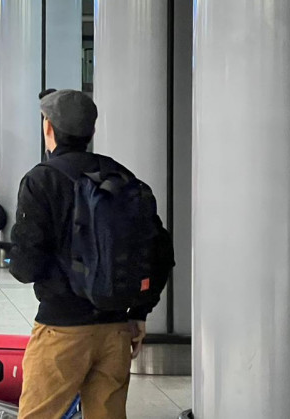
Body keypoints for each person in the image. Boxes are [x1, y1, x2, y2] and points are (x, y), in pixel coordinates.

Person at [10, 90, 173, 418]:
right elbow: (160, 251)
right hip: (115, 328)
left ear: (49, 128)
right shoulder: (120, 176)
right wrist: (139, 311)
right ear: (91, 132)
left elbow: (26, 266)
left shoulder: (41, 180)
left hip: (62, 329)